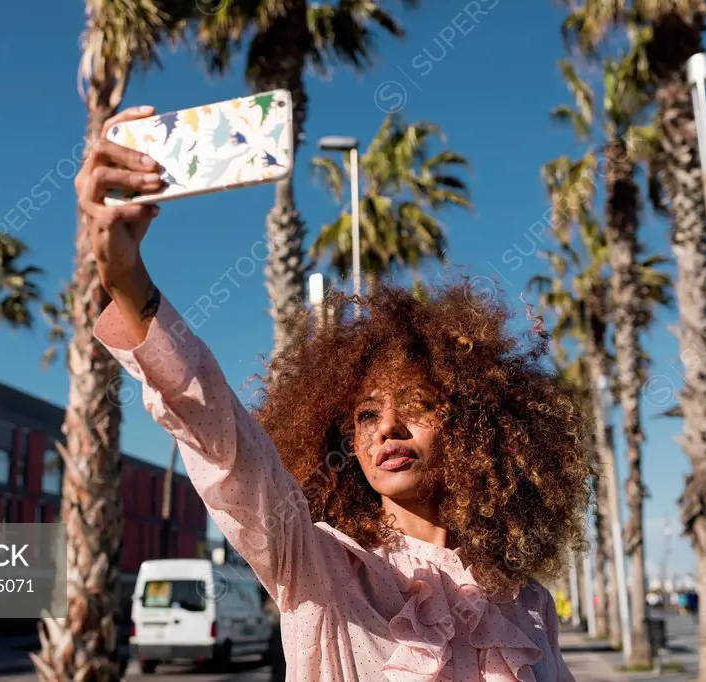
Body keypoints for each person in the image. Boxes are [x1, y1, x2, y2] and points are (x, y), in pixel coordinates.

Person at [78, 106, 589, 681]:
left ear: (474, 426)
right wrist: (129, 283)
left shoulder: (526, 604)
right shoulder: (317, 565)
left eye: (417, 405)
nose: (386, 429)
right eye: (366, 414)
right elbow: (232, 454)